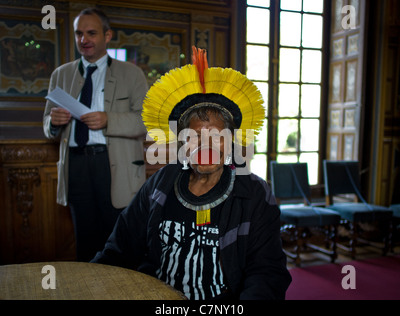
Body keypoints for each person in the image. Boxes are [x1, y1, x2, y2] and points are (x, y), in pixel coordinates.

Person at [92, 47, 291, 299]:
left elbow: (266, 274)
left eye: (217, 136)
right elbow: (119, 248)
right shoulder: (160, 184)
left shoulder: (253, 194)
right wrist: (91, 283)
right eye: (194, 137)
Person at [43, 8, 148, 262]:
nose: (83, 39)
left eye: (91, 33)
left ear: (107, 35)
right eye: (79, 34)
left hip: (114, 167)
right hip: (76, 165)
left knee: (118, 241)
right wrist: (54, 122)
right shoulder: (61, 74)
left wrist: (108, 119)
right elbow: (47, 126)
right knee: (85, 241)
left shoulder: (131, 74)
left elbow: (145, 121)